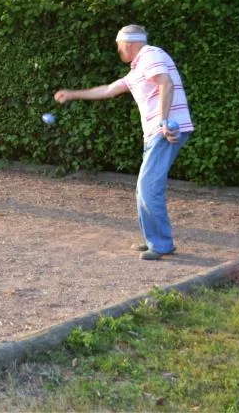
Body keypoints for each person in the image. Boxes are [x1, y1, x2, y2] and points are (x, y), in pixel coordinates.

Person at [54, 24, 194, 260]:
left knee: (148, 187)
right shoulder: (137, 69)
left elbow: (165, 83)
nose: (118, 50)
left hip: (164, 130)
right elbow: (108, 90)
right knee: (144, 188)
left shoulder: (150, 54)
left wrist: (163, 121)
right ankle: (155, 239)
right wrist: (72, 94)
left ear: (128, 44)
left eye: (119, 45)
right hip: (156, 132)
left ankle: (161, 245)